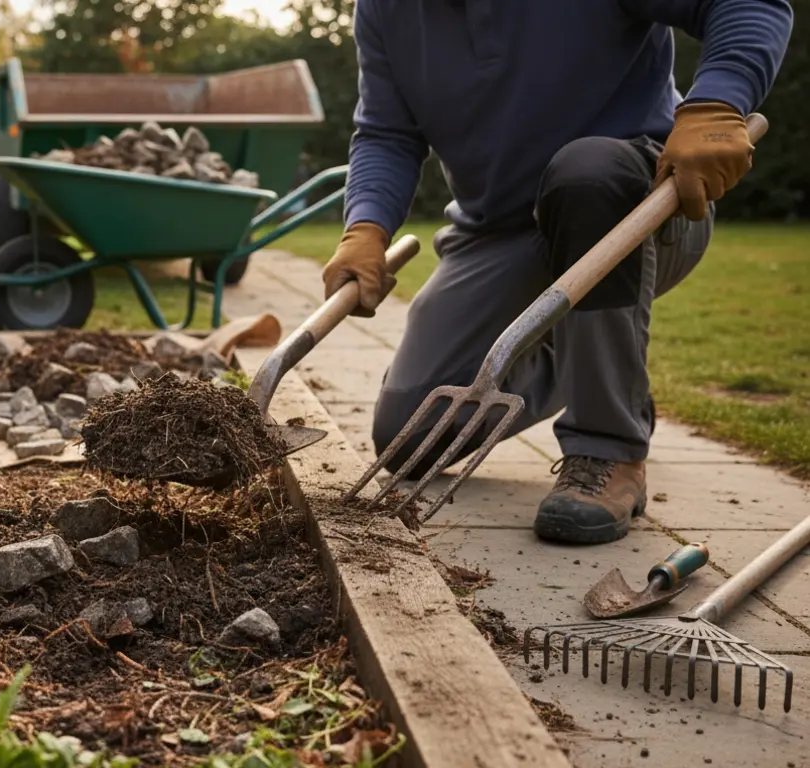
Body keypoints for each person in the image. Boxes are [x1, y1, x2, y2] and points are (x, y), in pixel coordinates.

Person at [323, 0, 793, 545]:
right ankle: (606, 374)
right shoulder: (387, 9)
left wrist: (715, 104)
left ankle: (608, 446)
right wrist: (366, 230)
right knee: (411, 440)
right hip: (498, 232)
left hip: (638, 205)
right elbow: (388, 133)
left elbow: (745, 5)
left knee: (586, 174)